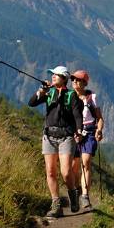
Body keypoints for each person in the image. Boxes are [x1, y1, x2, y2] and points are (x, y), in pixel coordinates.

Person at [27, 65, 85, 218]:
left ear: (64, 78)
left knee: (66, 173)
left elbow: (77, 115)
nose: (53, 76)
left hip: (66, 136)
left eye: (56, 75)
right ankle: (56, 204)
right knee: (51, 172)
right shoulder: (49, 92)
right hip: (49, 136)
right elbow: (31, 103)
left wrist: (79, 131)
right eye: (52, 74)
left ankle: (73, 193)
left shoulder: (71, 95)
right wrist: (42, 91)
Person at [70, 70, 103, 210]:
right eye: (73, 79)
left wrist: (99, 130)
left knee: (86, 163)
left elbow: (99, 118)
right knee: (74, 167)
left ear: (84, 83)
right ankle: (77, 190)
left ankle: (85, 195)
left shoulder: (91, 98)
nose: (75, 82)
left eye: (78, 80)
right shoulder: (69, 97)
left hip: (89, 131)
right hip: (73, 133)